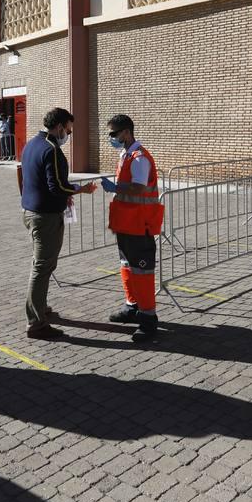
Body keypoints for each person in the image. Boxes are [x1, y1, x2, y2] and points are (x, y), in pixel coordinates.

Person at [19, 107, 96, 340]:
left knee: (43, 265)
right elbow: (57, 186)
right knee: (42, 267)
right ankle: (36, 322)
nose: (68, 135)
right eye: (69, 130)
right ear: (60, 126)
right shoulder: (51, 149)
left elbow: (27, 176)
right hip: (45, 216)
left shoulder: (31, 143)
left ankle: (39, 307)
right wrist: (79, 189)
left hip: (32, 211)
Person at [102, 115, 165, 343]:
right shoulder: (126, 155)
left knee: (142, 271)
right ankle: (133, 306)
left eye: (113, 134)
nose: (111, 138)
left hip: (140, 225)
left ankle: (148, 319)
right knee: (127, 266)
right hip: (126, 224)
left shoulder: (139, 158)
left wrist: (116, 186)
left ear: (126, 133)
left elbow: (138, 188)